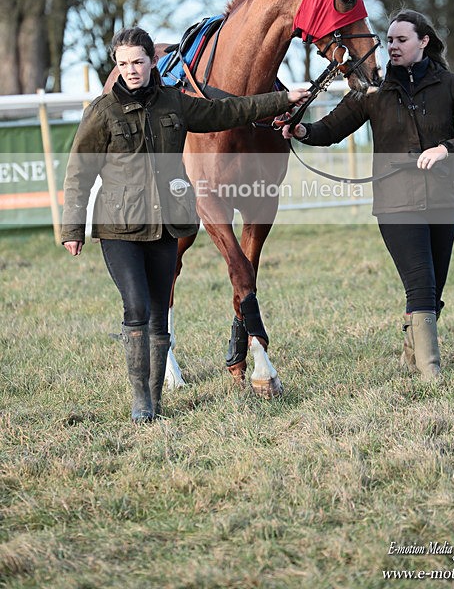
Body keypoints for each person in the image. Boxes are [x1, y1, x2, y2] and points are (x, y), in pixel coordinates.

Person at [62, 26, 309, 423]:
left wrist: (284, 98)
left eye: (138, 62)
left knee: (159, 312)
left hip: (165, 225)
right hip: (119, 227)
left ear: (152, 62)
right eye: (123, 64)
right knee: (137, 307)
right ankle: (140, 400)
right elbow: (79, 171)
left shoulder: (176, 104)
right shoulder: (102, 111)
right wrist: (73, 227)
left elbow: (230, 111)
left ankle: (154, 399)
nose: (131, 70)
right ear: (116, 66)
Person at [283, 9, 454, 381]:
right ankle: (432, 373)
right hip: (396, 202)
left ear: (423, 42)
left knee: (434, 288)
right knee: (421, 283)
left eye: (402, 39)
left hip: (445, 200)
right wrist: (301, 131)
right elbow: (329, 130)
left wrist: (447, 147)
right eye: (391, 39)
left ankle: (411, 355)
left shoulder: (452, 85)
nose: (392, 46)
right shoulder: (372, 90)